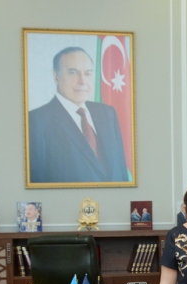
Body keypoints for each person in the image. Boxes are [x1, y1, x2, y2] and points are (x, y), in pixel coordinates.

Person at [28, 46, 128, 184]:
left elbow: (121, 172)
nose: (82, 81)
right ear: (56, 76)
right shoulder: (36, 121)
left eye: (87, 73)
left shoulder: (108, 113)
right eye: (73, 72)